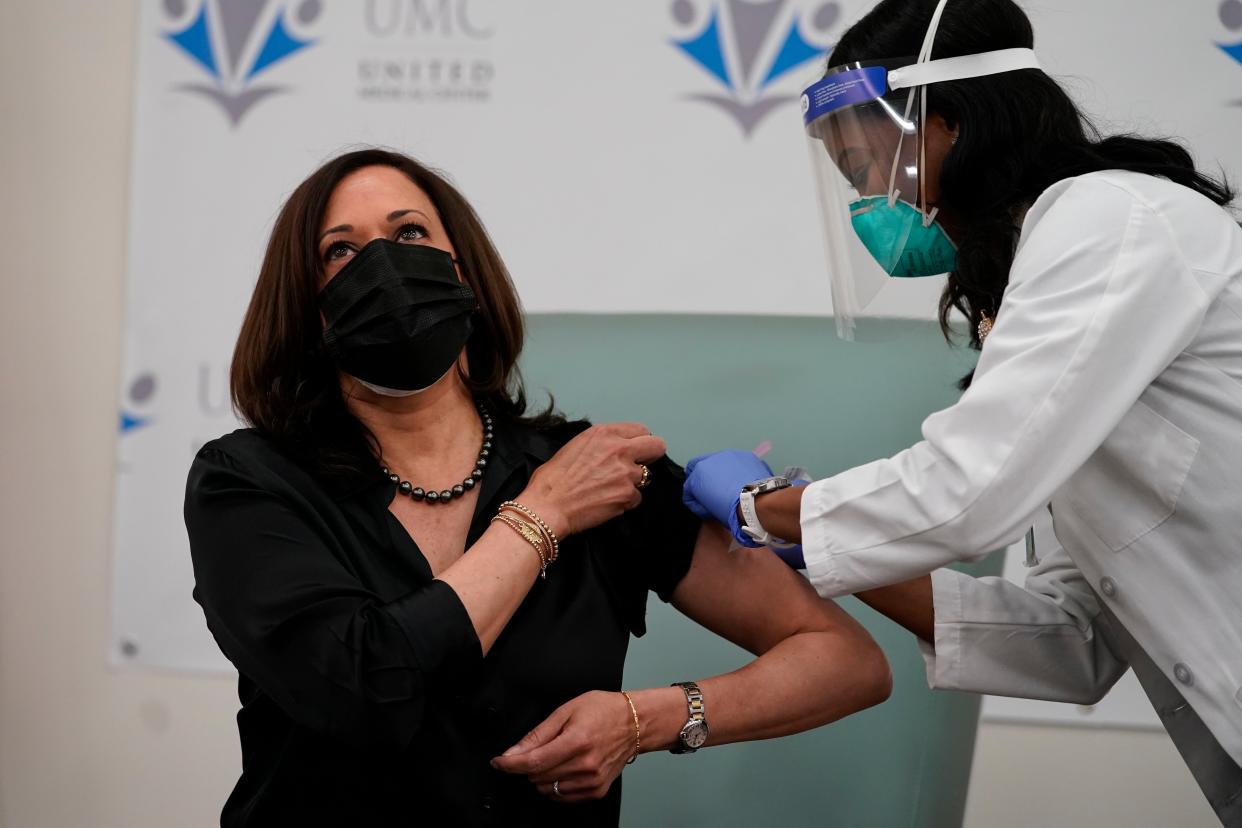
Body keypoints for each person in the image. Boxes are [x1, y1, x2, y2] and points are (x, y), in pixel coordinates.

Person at [183, 148, 891, 827]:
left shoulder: (597, 473)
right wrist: (541, 514)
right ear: (307, 307)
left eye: (410, 232)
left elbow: (845, 660)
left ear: (464, 268)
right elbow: (366, 688)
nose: (384, 266)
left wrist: (645, 720)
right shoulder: (249, 484)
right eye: (341, 251)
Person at [682, 0, 1242, 823]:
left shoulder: (1109, 219)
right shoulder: (1039, 294)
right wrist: (827, 548)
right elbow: (1071, 642)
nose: (869, 202)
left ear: (942, 125)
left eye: (867, 168)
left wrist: (763, 513)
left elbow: (970, 491)